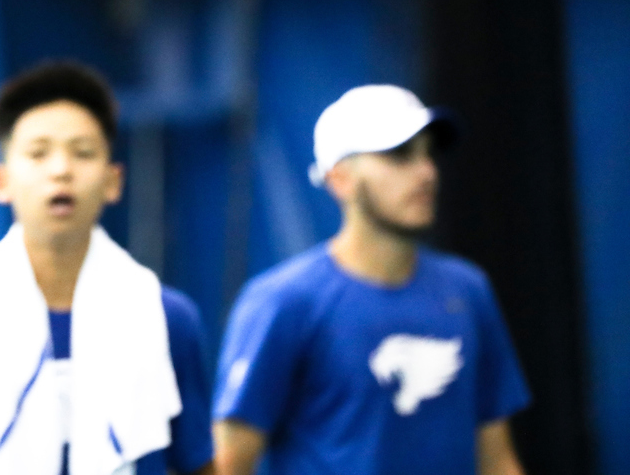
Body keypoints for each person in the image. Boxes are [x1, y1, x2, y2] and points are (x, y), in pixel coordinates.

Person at [0, 61, 215, 475]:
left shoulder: (166, 317)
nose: (61, 170)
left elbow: (197, 462)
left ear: (114, 180)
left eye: (82, 152)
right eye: (38, 153)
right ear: (0, 180)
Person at [211, 85, 529, 475]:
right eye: (399, 155)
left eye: (429, 153)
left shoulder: (467, 291)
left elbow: (497, 461)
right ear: (340, 179)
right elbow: (228, 466)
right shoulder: (281, 303)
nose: (426, 171)